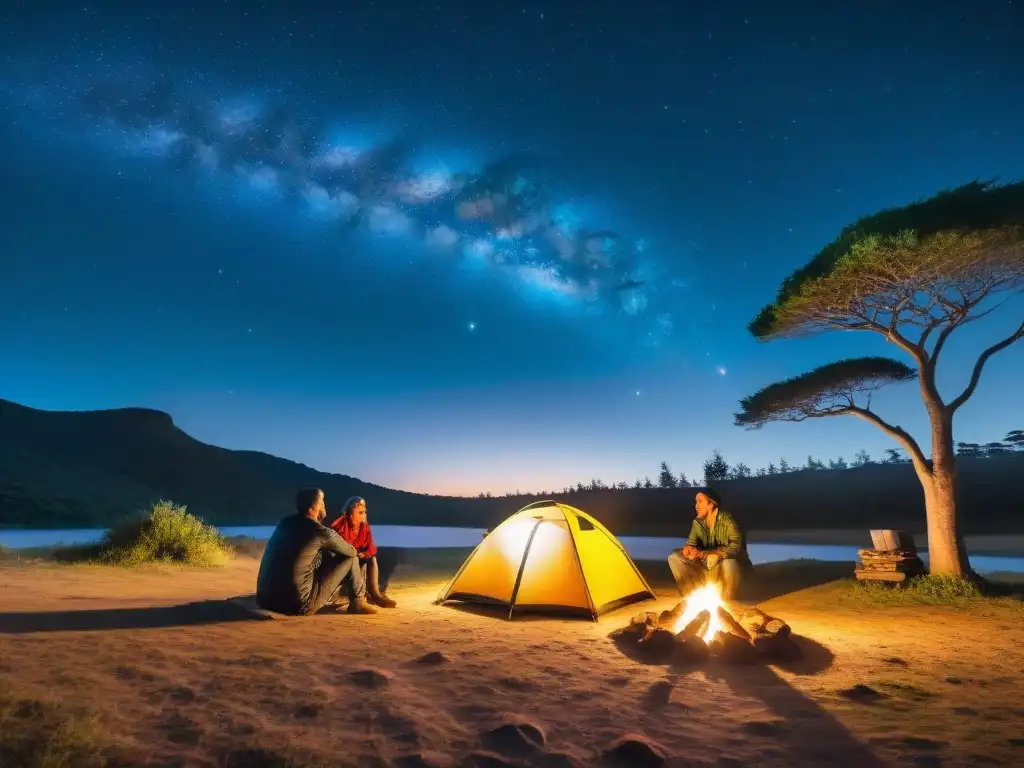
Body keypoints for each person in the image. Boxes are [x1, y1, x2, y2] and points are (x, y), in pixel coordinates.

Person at [256, 488, 377, 615]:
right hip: (299, 605)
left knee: (318, 555)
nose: (324, 506)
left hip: (265, 600)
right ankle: (358, 602)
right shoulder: (320, 531)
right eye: (321, 502)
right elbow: (351, 552)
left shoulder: (284, 524)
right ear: (311, 508)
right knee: (351, 558)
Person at [667, 488, 752, 601]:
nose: (696, 506)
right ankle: (690, 598)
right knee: (674, 558)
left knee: (728, 563)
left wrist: (718, 554)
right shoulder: (697, 523)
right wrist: (689, 549)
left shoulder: (727, 520)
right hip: (706, 563)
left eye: (699, 501)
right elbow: (691, 543)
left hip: (728, 566)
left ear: (711, 505)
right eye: (696, 502)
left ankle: (728, 601)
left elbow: (736, 546)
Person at [330, 496, 397, 608]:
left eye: (364, 511)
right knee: (357, 560)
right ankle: (359, 598)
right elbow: (340, 548)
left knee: (372, 558)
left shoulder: (364, 526)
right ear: (351, 512)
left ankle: (375, 595)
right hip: (343, 560)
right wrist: (356, 554)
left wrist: (364, 554)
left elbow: (372, 548)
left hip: (358, 556)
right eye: (360, 512)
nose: (364, 514)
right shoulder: (340, 526)